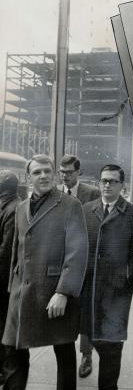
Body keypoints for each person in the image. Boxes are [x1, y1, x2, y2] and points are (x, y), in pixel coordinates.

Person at [2, 154, 88, 390]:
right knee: (14, 348)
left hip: (54, 293)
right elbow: (16, 252)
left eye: (47, 171)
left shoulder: (71, 205)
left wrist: (64, 292)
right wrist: (12, 288)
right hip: (22, 294)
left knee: (64, 350)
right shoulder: (20, 208)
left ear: (54, 174)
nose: (44, 176)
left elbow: (77, 251)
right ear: (29, 177)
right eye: (38, 172)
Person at [81, 164, 133, 390]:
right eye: (103, 181)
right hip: (89, 291)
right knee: (92, 337)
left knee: (112, 349)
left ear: (122, 185)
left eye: (112, 181)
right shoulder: (87, 210)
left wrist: (125, 279)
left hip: (116, 294)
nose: (107, 185)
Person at [58, 154, 100, 378]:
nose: (65, 176)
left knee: (85, 310)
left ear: (78, 172)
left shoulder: (92, 193)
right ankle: (66, 355)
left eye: (69, 172)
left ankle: (86, 355)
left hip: (86, 262)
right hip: (61, 262)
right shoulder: (55, 195)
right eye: (62, 172)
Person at [0, 171, 20, 385]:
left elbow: (6, 253)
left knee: (6, 331)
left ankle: (8, 372)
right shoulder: (6, 205)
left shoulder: (13, 209)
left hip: (5, 283)